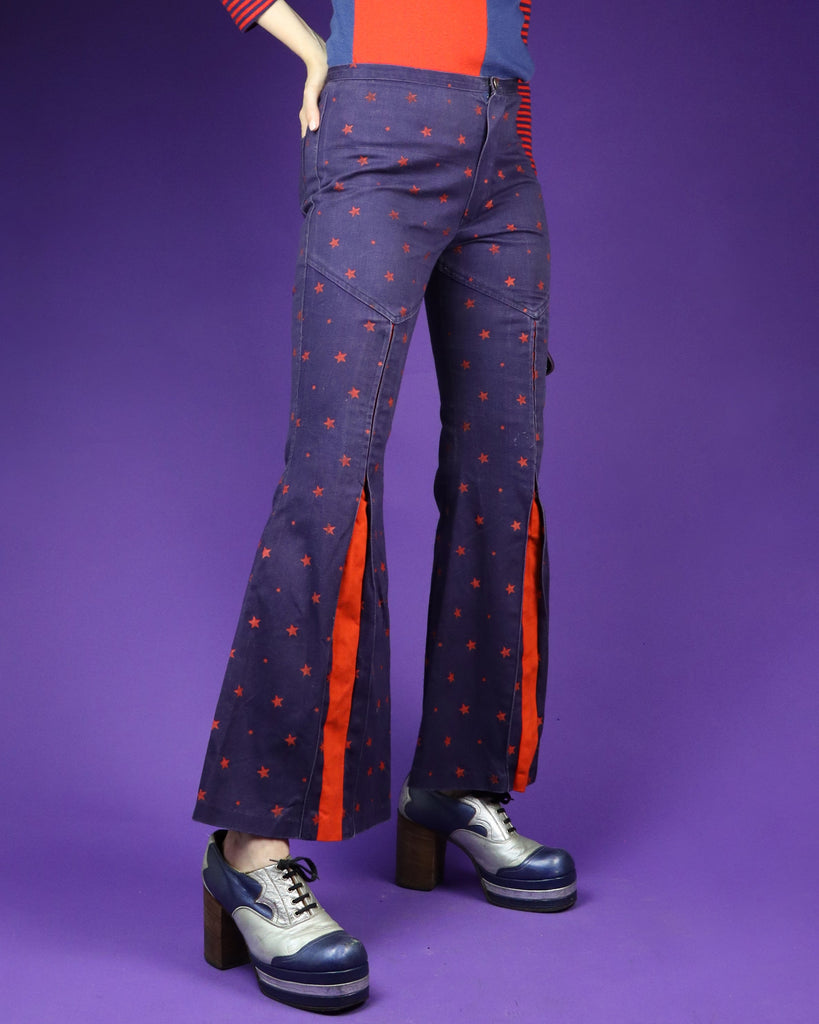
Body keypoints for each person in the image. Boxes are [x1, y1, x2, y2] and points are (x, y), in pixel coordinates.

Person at [194, 0, 576, 1012]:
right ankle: (250, 846)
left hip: (504, 151)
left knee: (501, 478)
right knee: (328, 481)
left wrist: (504, 131)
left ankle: (457, 778)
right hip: (378, 135)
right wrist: (313, 49)